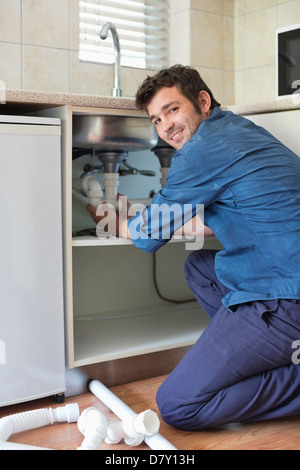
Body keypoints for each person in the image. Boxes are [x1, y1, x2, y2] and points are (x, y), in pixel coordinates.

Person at [87, 64, 300, 430]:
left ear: (202, 101)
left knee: (177, 405)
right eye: (155, 120)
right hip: (284, 278)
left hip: (286, 300)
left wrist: (111, 217)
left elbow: (145, 237)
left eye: (172, 109)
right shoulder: (237, 131)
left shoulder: (202, 151)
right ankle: (263, 355)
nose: (165, 126)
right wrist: (140, 217)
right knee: (199, 266)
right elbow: (213, 215)